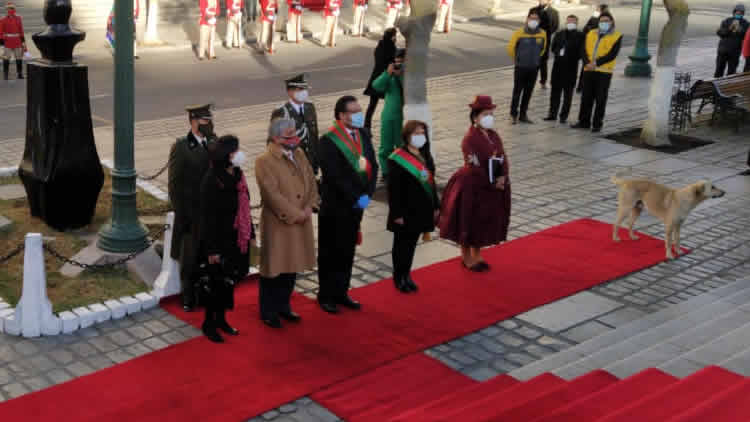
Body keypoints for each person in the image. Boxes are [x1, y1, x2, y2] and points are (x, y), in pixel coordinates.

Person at [255, 118, 320, 328]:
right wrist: (295, 214)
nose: (295, 138)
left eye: (295, 133)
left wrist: (310, 205)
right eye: (289, 135)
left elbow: (311, 180)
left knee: (292, 266)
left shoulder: (299, 153)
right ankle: (268, 310)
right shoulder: (264, 161)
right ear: (276, 138)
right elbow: (272, 195)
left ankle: (284, 305)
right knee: (273, 269)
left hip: (302, 219)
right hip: (280, 225)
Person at [317, 96, 378, 314]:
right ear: (342, 116)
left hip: (356, 206)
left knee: (347, 250)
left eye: (359, 110)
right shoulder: (328, 141)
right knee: (330, 252)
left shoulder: (363, 134)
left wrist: (368, 194)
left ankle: (341, 292)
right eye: (354, 111)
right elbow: (334, 176)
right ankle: (326, 295)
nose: (358, 114)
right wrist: (355, 197)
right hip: (336, 206)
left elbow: (374, 164)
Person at [439, 96, 511, 272]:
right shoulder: (469, 139)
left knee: (484, 222)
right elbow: (474, 166)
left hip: (493, 186)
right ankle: (466, 256)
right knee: (469, 220)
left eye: (491, 114)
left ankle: (477, 253)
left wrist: (503, 176)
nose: (490, 118)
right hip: (474, 185)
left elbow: (503, 157)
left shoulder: (494, 135)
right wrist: (491, 182)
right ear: (475, 117)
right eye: (486, 114)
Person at [197, 135, 250, 343]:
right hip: (218, 240)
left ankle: (222, 319)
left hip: (236, 237)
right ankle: (209, 323)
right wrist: (212, 250)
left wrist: (249, 234)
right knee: (215, 283)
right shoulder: (212, 179)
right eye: (235, 150)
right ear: (226, 155)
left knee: (228, 282)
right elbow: (207, 217)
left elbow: (245, 204)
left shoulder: (238, 173)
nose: (239, 154)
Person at [168, 104, 216, 312]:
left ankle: (206, 293)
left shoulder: (214, 142)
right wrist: (182, 213)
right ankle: (188, 296)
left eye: (209, 120)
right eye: (205, 120)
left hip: (211, 212)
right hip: (191, 213)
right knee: (190, 258)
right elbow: (174, 184)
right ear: (194, 121)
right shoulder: (181, 146)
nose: (209, 124)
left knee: (209, 255)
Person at [387, 121, 439, 293]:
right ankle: (398, 277)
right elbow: (393, 189)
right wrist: (397, 213)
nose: (420, 136)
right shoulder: (397, 158)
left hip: (421, 209)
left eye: (422, 133)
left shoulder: (425, 153)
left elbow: (431, 182)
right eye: (416, 133)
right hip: (404, 210)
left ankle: (407, 275)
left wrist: (436, 205)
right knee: (401, 245)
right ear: (407, 135)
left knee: (411, 245)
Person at [571, 11, 621, 133]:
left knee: (600, 98)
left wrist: (596, 63)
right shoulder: (591, 33)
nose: (604, 23)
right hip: (588, 69)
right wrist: (587, 62)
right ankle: (584, 122)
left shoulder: (617, 36)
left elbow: (612, 55)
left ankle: (597, 124)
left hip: (604, 72)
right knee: (586, 97)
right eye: (602, 21)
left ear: (612, 22)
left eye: (606, 21)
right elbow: (583, 49)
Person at [270, 74, 321, 177]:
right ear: (289, 92)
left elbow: (314, 135)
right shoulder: (281, 112)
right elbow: (273, 141)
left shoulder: (310, 107)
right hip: (293, 165)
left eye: (305, 89)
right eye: (300, 89)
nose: (304, 92)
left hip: (311, 164)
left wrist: (317, 161)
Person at [507, 10, 547, 125]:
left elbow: (543, 49)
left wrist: (536, 59)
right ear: (527, 20)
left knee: (528, 92)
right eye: (531, 19)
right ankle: (513, 114)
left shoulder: (542, 33)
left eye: (536, 19)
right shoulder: (519, 32)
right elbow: (511, 48)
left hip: (533, 67)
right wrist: (517, 59)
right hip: (521, 67)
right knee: (517, 92)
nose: (533, 21)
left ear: (539, 21)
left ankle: (523, 114)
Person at [543, 14, 584, 124]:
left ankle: (563, 116)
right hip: (558, 68)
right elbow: (553, 47)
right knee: (555, 93)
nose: (570, 23)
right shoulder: (560, 33)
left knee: (568, 95)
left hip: (570, 68)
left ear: (576, 23)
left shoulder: (580, 35)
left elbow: (581, 52)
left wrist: (569, 54)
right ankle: (552, 114)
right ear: (566, 22)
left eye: (573, 22)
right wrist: (558, 52)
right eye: (569, 21)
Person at [372, 48, 405, 180]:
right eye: (397, 62)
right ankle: (386, 172)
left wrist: (402, 75)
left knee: (402, 146)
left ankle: (403, 170)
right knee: (386, 146)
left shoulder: (410, 75)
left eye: (402, 62)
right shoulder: (389, 76)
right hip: (389, 116)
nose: (399, 65)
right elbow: (376, 86)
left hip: (405, 117)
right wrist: (387, 73)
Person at [364, 28, 398, 131]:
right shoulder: (391, 48)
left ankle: (367, 126)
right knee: (391, 104)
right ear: (392, 36)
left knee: (372, 105)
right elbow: (393, 63)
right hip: (387, 79)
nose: (396, 38)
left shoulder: (379, 46)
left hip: (376, 78)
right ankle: (390, 125)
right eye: (395, 36)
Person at [577, 4, 607, 93]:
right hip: (592, 46)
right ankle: (583, 86)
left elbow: (585, 29)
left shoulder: (596, 18)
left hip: (595, 46)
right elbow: (585, 29)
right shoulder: (595, 19)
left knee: (587, 67)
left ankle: (582, 86)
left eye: (598, 9)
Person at [531, 0, 559, 89]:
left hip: (545, 39)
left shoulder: (554, 12)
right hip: (532, 38)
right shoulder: (533, 10)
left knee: (543, 61)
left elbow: (555, 25)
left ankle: (543, 81)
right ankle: (530, 80)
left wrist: (545, 33)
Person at [715, 4, 749, 77]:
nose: (738, 14)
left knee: (731, 72)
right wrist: (729, 29)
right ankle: (715, 86)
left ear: (743, 14)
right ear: (734, 12)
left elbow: (747, 37)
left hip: (735, 52)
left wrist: (741, 30)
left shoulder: (746, 23)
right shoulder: (727, 21)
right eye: (737, 13)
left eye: (740, 13)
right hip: (722, 51)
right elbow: (719, 33)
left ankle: (729, 86)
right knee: (719, 70)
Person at [0, 2, 26, 80]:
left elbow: (21, 30)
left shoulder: (18, 18)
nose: (11, 10)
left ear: (14, 9)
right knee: (6, 58)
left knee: (19, 58)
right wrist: (1, 43)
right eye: (9, 8)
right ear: (7, 10)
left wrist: (23, 41)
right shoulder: (3, 20)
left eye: (12, 8)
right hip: (7, 41)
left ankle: (19, 73)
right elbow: (0, 31)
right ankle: (5, 74)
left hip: (17, 41)